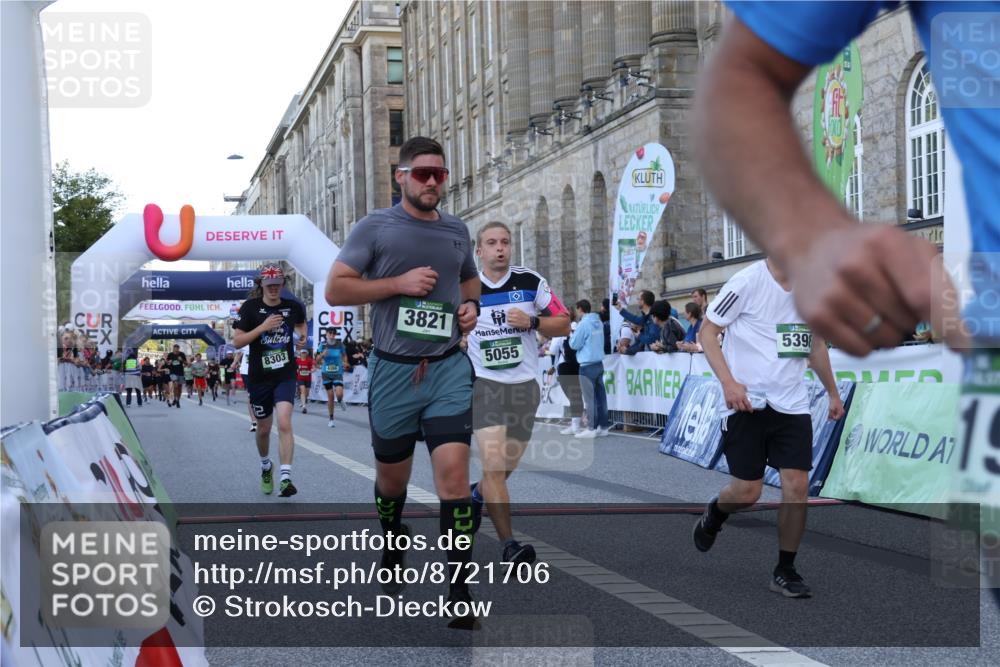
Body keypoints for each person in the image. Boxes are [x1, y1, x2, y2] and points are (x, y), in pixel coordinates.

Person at [325, 136, 480, 615]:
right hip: (393, 371)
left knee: (453, 482)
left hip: (448, 367)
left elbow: (469, 279)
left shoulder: (457, 230)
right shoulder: (376, 227)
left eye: (439, 174)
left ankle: (458, 592)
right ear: (401, 177)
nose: (432, 181)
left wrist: (471, 305)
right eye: (422, 174)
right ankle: (392, 537)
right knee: (392, 481)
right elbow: (335, 289)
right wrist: (398, 284)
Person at [692, 258, 844, 598]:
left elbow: (815, 345)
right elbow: (708, 332)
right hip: (746, 403)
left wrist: (833, 392)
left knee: (797, 485)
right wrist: (729, 383)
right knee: (748, 492)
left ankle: (785, 569)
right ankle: (716, 512)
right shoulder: (746, 282)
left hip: (792, 405)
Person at [466, 221, 571, 564]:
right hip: (485, 385)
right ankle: (510, 546)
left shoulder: (530, 282)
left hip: (525, 387)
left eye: (505, 242)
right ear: (478, 250)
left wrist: (533, 322)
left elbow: (564, 321)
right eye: (492, 243)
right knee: (494, 466)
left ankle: (478, 495)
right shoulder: (465, 287)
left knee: (505, 468)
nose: (500, 248)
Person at [233, 264, 308, 497]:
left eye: (277, 285)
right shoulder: (250, 308)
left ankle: (286, 477)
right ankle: (266, 466)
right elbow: (237, 342)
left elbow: (301, 324)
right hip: (259, 377)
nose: (273, 289)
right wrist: (263, 327)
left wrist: (302, 338)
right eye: (269, 286)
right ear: (261, 285)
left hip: (285, 373)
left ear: (282, 285)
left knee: (284, 422)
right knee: (264, 429)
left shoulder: (293, 306)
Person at [570, 300, 610, 438]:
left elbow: (574, 344)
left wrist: (571, 336)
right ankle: (603, 426)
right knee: (601, 397)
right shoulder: (598, 321)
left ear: (580, 309)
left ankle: (591, 428)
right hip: (599, 362)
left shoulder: (583, 324)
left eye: (576, 310)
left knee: (590, 398)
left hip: (587, 364)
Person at [554, 326, 585, 435]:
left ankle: (576, 426)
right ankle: (575, 424)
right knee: (577, 395)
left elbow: (553, 350)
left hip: (565, 367)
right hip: (577, 365)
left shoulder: (559, 334)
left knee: (573, 396)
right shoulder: (578, 330)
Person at [315, 329, 348, 427]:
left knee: (339, 393)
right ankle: (331, 419)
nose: (332, 335)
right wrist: (322, 355)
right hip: (326, 373)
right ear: (326, 334)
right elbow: (316, 360)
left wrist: (345, 362)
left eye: (334, 334)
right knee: (330, 396)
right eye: (330, 333)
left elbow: (344, 355)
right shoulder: (323, 345)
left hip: (337, 372)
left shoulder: (340, 344)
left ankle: (340, 400)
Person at [616, 290, 661, 354]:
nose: (637, 301)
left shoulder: (653, 317)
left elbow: (651, 339)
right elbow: (636, 320)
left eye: (638, 299)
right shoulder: (646, 317)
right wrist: (620, 309)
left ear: (642, 302)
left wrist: (639, 335)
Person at [232, 345, 256, 431]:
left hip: (261, 371)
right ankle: (254, 422)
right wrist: (234, 364)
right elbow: (239, 354)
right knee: (251, 395)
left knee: (261, 395)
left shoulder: (263, 337)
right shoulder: (245, 340)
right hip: (247, 372)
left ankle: (261, 417)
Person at [295, 348, 314, 414]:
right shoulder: (297, 360)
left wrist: (311, 370)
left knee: (307, 393)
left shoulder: (309, 360)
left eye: (304, 353)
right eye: (302, 353)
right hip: (300, 378)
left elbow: (313, 368)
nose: (303, 354)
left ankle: (303, 401)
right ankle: (304, 406)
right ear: (300, 353)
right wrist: (296, 370)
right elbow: (294, 367)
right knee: (302, 391)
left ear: (307, 353)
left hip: (308, 378)